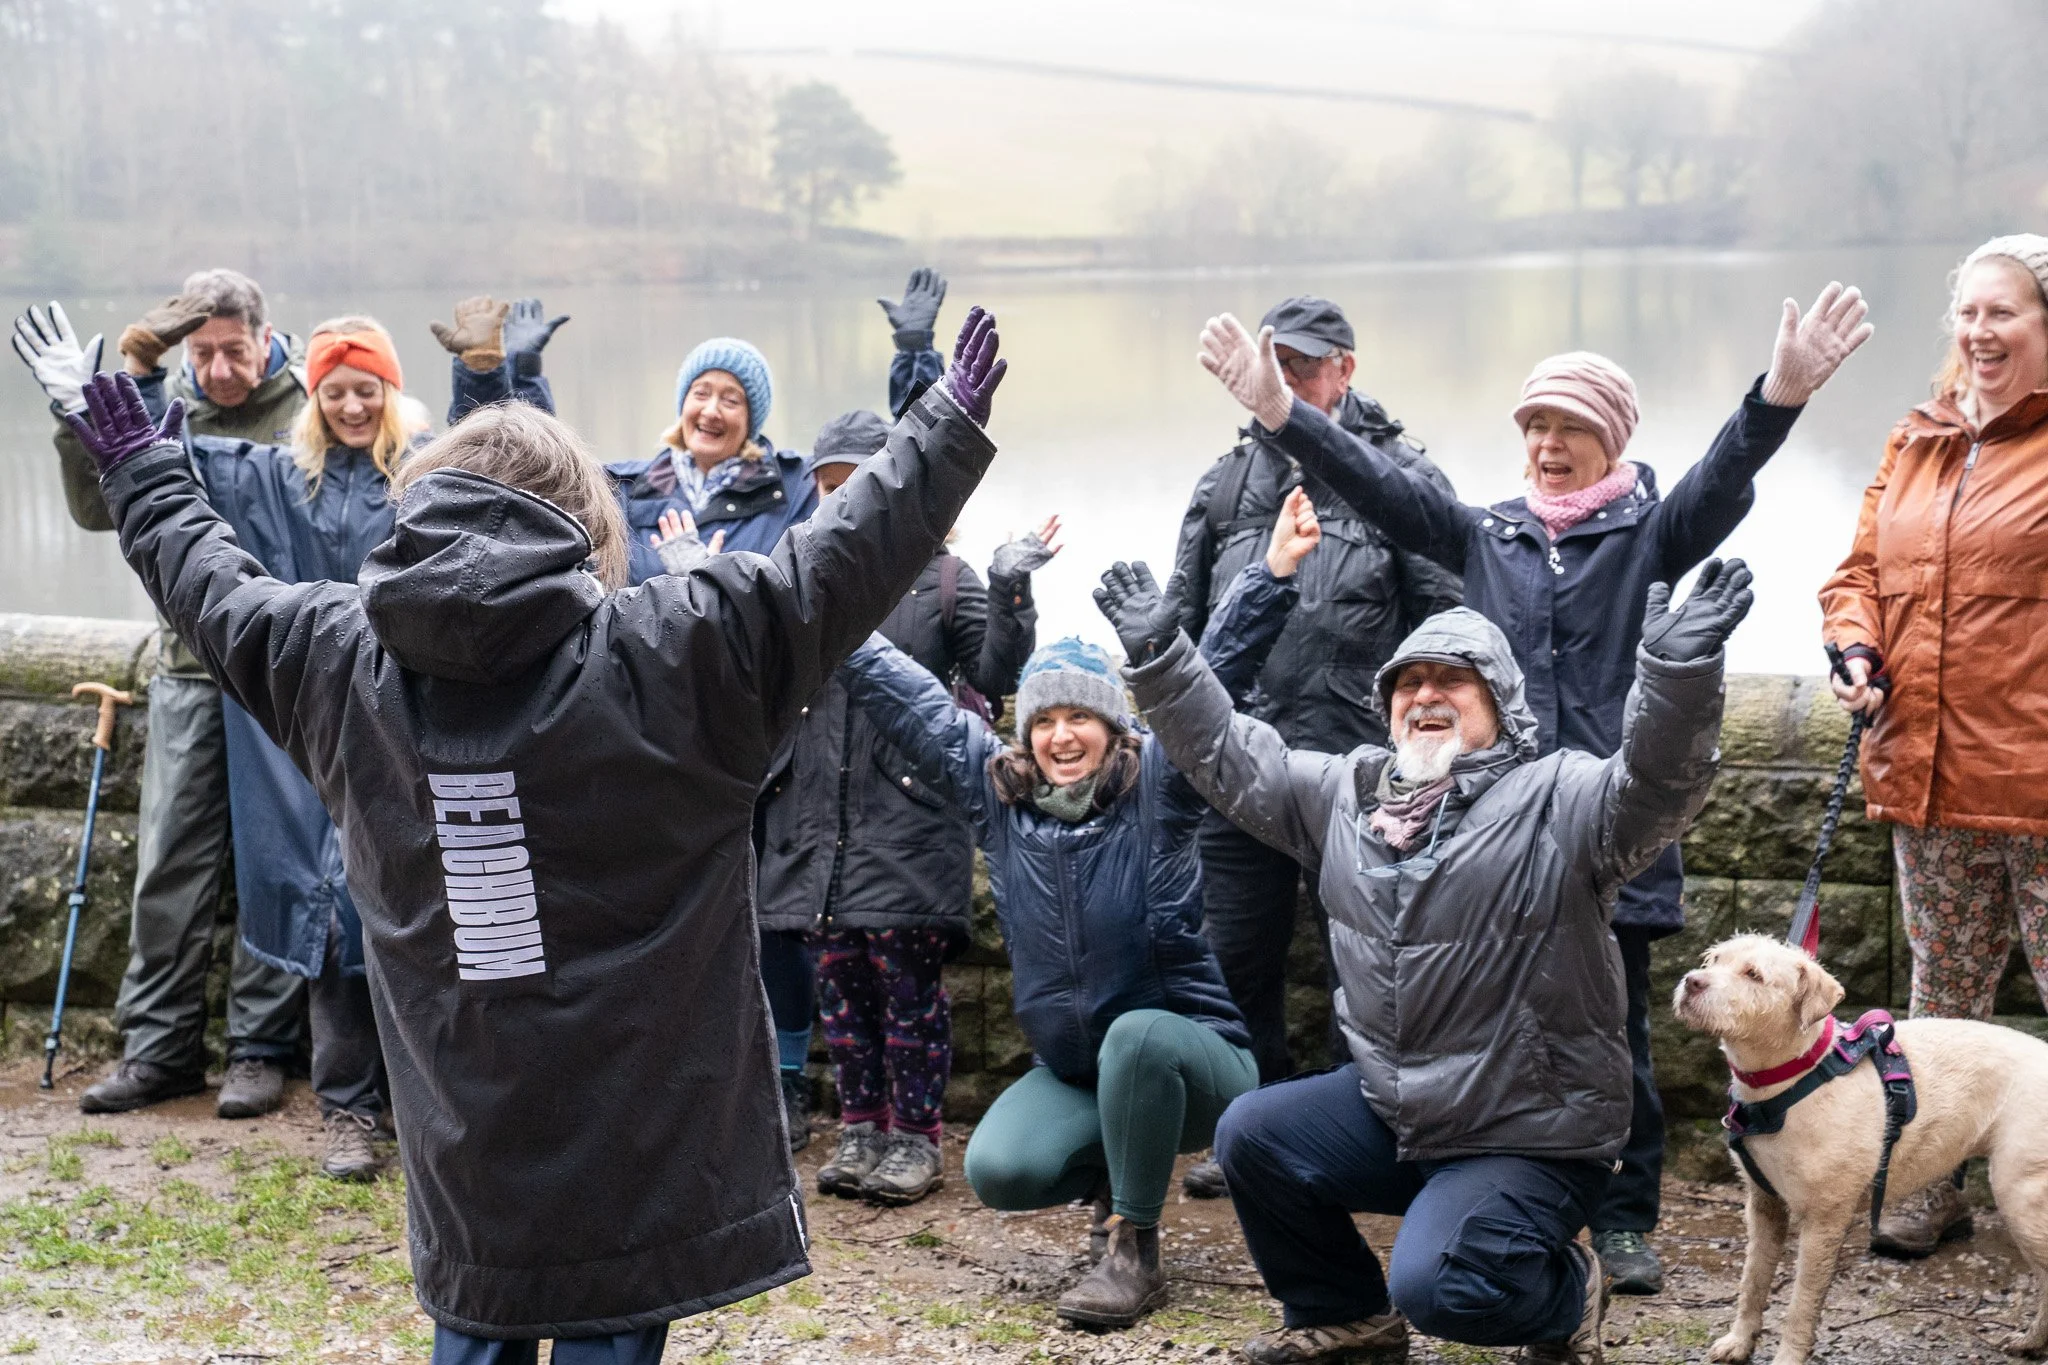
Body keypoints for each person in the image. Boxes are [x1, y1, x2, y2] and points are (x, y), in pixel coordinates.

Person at [63, 304, 1008, 1363]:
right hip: (638, 1141)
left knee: (477, 1319)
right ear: (583, 524)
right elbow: (831, 569)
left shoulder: (337, 660)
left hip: (470, 1134)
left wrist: (143, 470)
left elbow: (213, 589)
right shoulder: (672, 650)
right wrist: (942, 428)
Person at [1189, 287, 1871, 1293]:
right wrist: (1285, 414)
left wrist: (1779, 395)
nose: (1546, 444)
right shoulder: (1483, 537)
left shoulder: (1647, 532)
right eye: (1534, 427)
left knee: (1619, 1030)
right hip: (1486, 834)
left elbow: (1721, 482)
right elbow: (1378, 488)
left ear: (1608, 441)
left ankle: (1624, 1218)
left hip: (1604, 826)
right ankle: (1483, 1188)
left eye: (1567, 428)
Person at [1098, 547, 1754, 1365]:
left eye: (1453, 680)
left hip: (1530, 1134)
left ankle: (1565, 1285)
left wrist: (1679, 673)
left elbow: (1660, 781)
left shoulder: (1562, 797)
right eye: (1409, 683)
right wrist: (1163, 658)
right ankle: (1346, 1315)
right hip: (1398, 1111)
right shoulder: (1348, 794)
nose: (1426, 696)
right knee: (1254, 1135)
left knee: (1444, 1285)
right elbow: (1231, 756)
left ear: (1502, 706)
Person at [827, 492, 1325, 1330]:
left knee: (1136, 1033)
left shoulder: (1158, 789)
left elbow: (1215, 683)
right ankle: (1114, 1163)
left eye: (1082, 717)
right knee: (999, 1169)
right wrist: (829, 616)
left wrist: (1270, 576)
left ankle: (1132, 1243)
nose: (1062, 736)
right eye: (1045, 718)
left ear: (1114, 727)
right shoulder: (1001, 801)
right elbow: (907, 695)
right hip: (1081, 1071)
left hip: (1199, 1064)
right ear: (1025, 731)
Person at [1163, 296, 1462, 1197]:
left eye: (1304, 364)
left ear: (1347, 367)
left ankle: (1358, 1135)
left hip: (1365, 776)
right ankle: (1248, 1129)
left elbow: (1451, 624)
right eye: (1275, 364)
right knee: (1232, 959)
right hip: (1241, 770)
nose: (1287, 380)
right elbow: (1181, 625)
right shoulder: (1223, 486)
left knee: (1368, 965)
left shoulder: (1402, 475)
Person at [10, 271, 308, 1119]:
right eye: (201, 352)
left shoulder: (308, 411)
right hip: (184, 664)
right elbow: (88, 508)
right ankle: (159, 1047)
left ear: (266, 334)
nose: (216, 370)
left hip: (279, 668)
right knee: (168, 865)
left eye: (232, 351)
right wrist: (93, 409)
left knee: (273, 863)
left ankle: (260, 1048)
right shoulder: (162, 404)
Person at [1820, 233, 2048, 1258]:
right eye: (1965, 312)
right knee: (1939, 1003)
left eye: (2001, 311)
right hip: (1927, 778)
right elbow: (1856, 570)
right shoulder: (1915, 440)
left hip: (2039, 783)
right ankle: (1924, 1189)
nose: (1977, 330)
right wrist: (1853, 646)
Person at [752, 405, 1048, 1190]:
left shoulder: (945, 579)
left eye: (855, 484)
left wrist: (1013, 589)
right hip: (814, 826)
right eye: (826, 486)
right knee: (841, 993)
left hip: (909, 824)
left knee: (908, 994)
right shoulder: (795, 582)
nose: (840, 501)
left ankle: (915, 1136)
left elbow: (995, 674)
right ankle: (857, 1132)